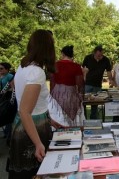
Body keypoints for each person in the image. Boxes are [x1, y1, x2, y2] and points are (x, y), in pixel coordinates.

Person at [8, 29, 62, 179]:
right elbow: (25, 111)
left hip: (29, 126)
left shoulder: (23, 66)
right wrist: (38, 144)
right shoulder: (36, 72)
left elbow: (32, 103)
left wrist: (50, 120)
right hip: (31, 133)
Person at [48, 45, 85, 126]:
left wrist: (51, 94)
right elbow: (80, 84)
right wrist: (80, 96)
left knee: (57, 115)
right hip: (71, 93)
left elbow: (52, 82)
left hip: (57, 93)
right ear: (72, 54)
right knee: (72, 117)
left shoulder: (54, 65)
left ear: (62, 54)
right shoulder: (76, 66)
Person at [82, 45, 113, 119]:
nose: (100, 57)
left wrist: (110, 80)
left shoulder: (105, 60)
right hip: (87, 84)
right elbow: (83, 69)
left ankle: (93, 119)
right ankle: (84, 119)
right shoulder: (88, 58)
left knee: (95, 104)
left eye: (101, 55)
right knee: (84, 102)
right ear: (94, 53)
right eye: (98, 55)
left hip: (98, 84)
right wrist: (83, 79)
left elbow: (108, 71)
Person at [0, 62, 14, 144]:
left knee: (8, 117)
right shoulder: (1, 76)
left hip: (8, 98)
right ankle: (7, 133)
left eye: (1, 68)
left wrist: (11, 100)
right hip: (2, 98)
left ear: (7, 69)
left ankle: (8, 135)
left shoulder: (10, 76)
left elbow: (13, 88)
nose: (0, 70)